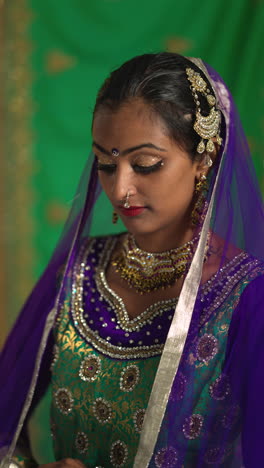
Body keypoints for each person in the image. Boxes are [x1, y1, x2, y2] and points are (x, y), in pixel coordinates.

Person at [0, 52, 264, 468]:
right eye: (106, 164)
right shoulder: (78, 271)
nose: (120, 189)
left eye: (145, 165)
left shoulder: (247, 298)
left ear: (203, 159)